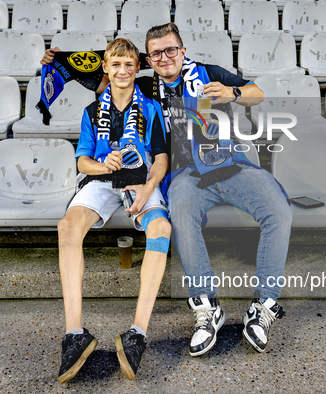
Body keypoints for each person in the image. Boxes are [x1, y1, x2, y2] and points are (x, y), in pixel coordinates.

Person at [42, 22, 291, 357]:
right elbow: (108, 80)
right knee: (181, 213)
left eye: (170, 49)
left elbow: (257, 93)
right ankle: (207, 308)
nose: (164, 57)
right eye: (156, 53)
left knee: (277, 208)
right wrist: (59, 63)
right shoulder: (146, 86)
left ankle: (263, 305)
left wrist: (232, 93)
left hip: (229, 163)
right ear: (150, 59)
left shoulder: (209, 73)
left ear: (182, 51)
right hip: (185, 173)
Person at [55, 38, 170, 383]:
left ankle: (137, 333)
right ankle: (75, 335)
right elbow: (82, 162)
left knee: (161, 230)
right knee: (67, 227)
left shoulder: (150, 108)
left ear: (138, 69)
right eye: (115, 64)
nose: (122, 71)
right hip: (104, 181)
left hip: (140, 181)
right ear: (105, 67)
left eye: (129, 65)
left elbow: (162, 158)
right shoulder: (92, 113)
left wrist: (149, 188)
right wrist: (103, 165)